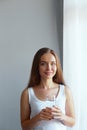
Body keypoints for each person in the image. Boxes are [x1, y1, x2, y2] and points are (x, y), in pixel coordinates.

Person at [20, 47, 75, 130]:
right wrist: (38, 118)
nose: (49, 68)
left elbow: (72, 122)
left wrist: (62, 116)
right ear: (37, 67)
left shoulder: (65, 91)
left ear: (57, 66)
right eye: (43, 64)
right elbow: (24, 127)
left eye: (53, 63)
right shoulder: (27, 93)